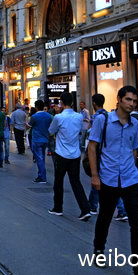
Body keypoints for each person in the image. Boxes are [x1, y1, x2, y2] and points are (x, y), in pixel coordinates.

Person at [88, 86, 138, 275]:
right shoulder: (102, 120)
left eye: (134, 101)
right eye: (128, 100)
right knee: (105, 217)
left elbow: (134, 149)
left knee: (137, 225)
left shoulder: (136, 123)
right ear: (119, 99)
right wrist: (95, 176)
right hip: (108, 178)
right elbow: (92, 147)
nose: (132, 104)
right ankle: (98, 249)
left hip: (130, 179)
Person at [48, 93, 91, 221]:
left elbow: (51, 131)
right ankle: (85, 209)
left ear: (61, 102)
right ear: (72, 102)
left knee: (58, 181)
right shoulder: (78, 117)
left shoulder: (58, 117)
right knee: (76, 182)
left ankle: (58, 208)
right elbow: (83, 129)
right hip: (75, 154)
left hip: (61, 153)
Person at [87, 94, 108, 214]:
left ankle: (121, 210)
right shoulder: (109, 115)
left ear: (94, 103)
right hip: (106, 152)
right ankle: (92, 205)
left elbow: (93, 140)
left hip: (99, 152)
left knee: (99, 180)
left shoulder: (97, 118)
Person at [28, 99, 53, 183]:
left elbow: (29, 125)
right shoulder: (49, 116)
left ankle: (42, 177)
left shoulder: (34, 116)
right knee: (42, 157)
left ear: (36, 107)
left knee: (39, 159)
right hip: (45, 138)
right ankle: (41, 175)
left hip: (36, 139)